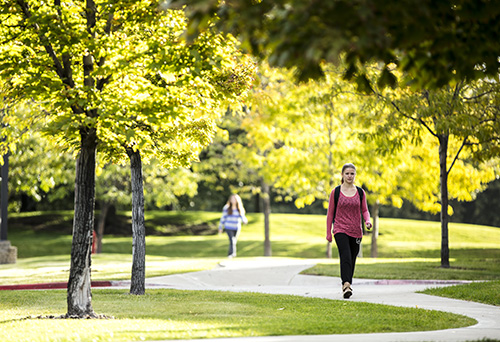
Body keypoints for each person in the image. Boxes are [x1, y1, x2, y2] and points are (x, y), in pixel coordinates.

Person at [326, 163, 372, 299]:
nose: (349, 176)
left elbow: (364, 210)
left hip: (356, 230)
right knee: (345, 256)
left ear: (355, 175)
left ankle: (348, 283)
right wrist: (329, 232)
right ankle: (346, 285)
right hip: (340, 229)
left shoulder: (360, 192)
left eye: (352, 173)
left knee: (352, 258)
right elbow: (330, 213)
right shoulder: (336, 192)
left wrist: (367, 221)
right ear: (342, 175)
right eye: (347, 173)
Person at [218, 194, 248, 258]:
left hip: (236, 227)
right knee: (232, 240)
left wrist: (244, 220)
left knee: (234, 241)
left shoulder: (239, 208)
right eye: (232, 199)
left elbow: (242, 216)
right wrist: (220, 227)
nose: (233, 200)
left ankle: (231, 253)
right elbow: (223, 217)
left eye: (235, 199)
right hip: (228, 227)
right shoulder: (226, 208)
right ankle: (232, 254)